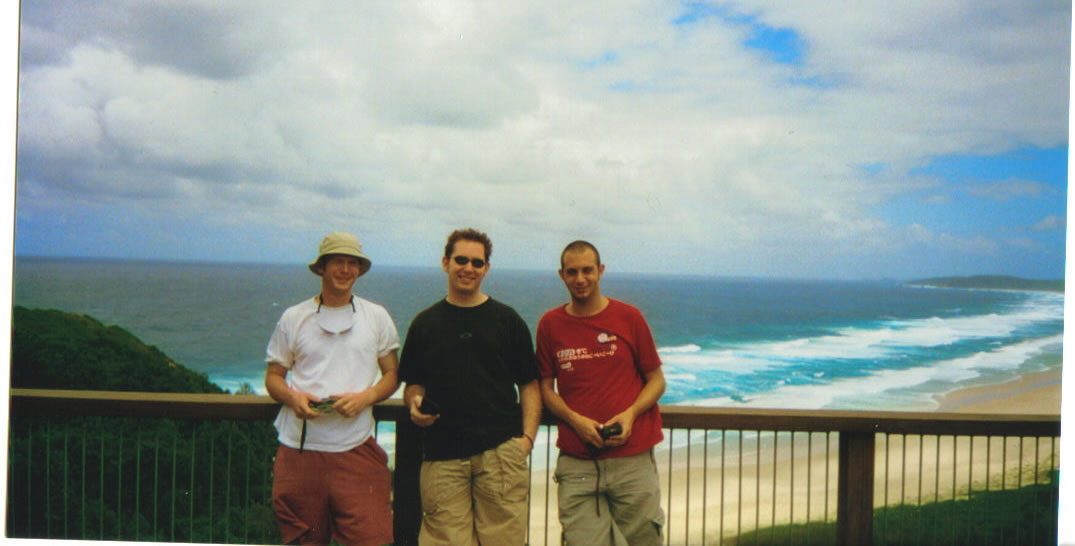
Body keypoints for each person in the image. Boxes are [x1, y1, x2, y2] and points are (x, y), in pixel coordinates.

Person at [398, 228, 541, 546]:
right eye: (461, 260)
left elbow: (529, 385)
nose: (468, 268)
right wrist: (414, 403)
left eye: (477, 262)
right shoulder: (425, 323)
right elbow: (413, 384)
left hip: (500, 455)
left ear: (486, 268)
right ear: (445, 263)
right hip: (442, 456)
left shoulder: (507, 320)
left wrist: (527, 441)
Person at [264, 232, 400, 546]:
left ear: (360, 270)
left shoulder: (376, 317)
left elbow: (392, 373)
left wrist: (366, 398)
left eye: (353, 263)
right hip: (300, 449)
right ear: (322, 267)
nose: (345, 269)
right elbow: (273, 377)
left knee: (373, 539)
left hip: (356, 447)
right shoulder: (294, 317)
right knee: (305, 540)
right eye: (338, 261)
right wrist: (293, 398)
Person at [536, 240, 667, 545]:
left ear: (601, 271)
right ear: (561, 275)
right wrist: (576, 421)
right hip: (578, 463)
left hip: (633, 460)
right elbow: (545, 388)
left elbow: (657, 381)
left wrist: (630, 415)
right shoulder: (550, 324)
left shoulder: (629, 317)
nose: (580, 279)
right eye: (572, 272)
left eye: (587, 270)